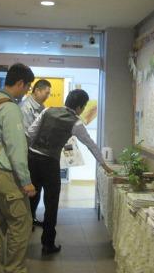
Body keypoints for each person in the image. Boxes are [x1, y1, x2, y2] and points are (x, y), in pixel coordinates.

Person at [27, 89, 113, 255]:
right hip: (50, 163)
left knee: (30, 199)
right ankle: (47, 244)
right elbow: (91, 144)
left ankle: (21, 240)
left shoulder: (47, 110)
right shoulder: (76, 123)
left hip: (32, 159)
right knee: (51, 204)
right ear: (80, 107)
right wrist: (103, 164)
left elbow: (30, 133)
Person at [0, 63, 36, 273]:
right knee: (21, 224)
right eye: (27, 87)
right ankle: (14, 269)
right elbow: (16, 149)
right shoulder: (10, 108)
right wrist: (26, 181)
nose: (26, 91)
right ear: (20, 83)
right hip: (5, 175)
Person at [20, 79, 51, 227]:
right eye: (46, 93)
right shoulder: (26, 108)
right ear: (37, 90)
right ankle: (27, 221)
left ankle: (31, 218)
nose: (47, 96)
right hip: (28, 155)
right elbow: (27, 135)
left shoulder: (41, 107)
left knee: (37, 190)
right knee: (31, 190)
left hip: (36, 155)